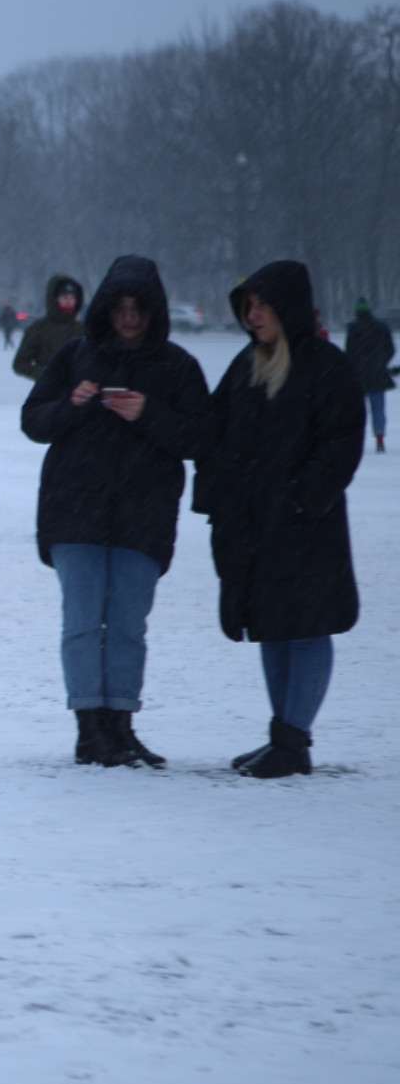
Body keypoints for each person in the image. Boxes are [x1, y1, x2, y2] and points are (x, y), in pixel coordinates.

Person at [21, 256, 211, 768]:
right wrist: (72, 405)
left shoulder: (177, 367)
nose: (129, 318)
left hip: (142, 517)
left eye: (138, 308)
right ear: (105, 307)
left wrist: (149, 413)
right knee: (82, 623)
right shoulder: (74, 356)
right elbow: (34, 422)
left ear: (154, 311)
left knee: (127, 626)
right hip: (75, 512)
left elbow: (203, 436)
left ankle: (121, 728)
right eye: (120, 307)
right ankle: (90, 730)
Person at [193, 261, 363, 778]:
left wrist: (298, 500)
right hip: (255, 527)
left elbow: (339, 446)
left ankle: (292, 740)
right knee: (272, 628)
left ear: (287, 307)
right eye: (248, 307)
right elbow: (214, 432)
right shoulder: (247, 366)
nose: (254, 315)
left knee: (306, 630)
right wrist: (220, 496)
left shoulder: (327, 368)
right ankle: (284, 737)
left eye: (263, 305)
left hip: (305, 528)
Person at [344, 298, 396, 453]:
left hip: (358, 376)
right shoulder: (381, 327)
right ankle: (380, 439)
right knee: (378, 408)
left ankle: (355, 441)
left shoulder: (353, 329)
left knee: (357, 411)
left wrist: (356, 365)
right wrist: (381, 362)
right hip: (377, 374)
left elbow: (349, 352)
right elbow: (391, 349)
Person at [13, 275, 84, 381]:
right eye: (64, 297)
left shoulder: (83, 329)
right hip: (47, 391)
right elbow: (20, 363)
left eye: (72, 297)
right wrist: (45, 374)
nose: (69, 301)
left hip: (77, 392)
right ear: (55, 299)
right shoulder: (39, 328)